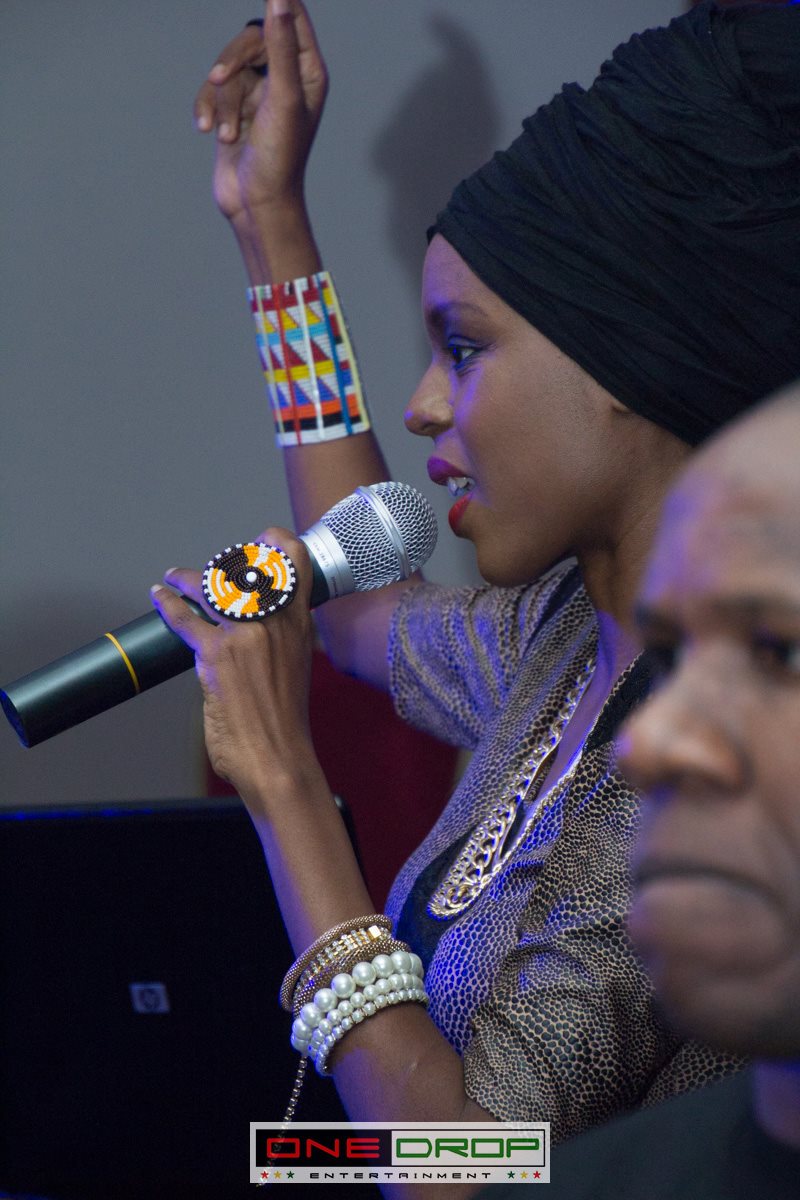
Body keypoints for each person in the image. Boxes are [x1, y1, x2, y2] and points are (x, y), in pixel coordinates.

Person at [152, 0, 800, 1164]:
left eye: (462, 348)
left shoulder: (701, 762)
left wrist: (286, 785)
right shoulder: (565, 635)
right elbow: (355, 599)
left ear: (621, 359)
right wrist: (268, 225)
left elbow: (462, 1172)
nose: (421, 406)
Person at [482, 381, 800, 1198]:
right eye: (668, 660)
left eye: (780, 652)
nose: (650, 742)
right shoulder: (547, 655)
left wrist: (287, 790)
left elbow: (454, 1165)